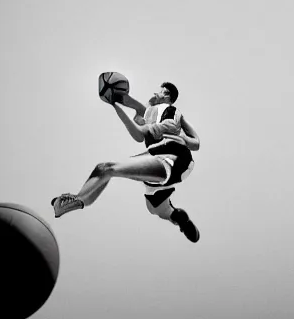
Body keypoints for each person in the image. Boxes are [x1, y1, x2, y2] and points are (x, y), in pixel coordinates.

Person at [51, 81, 202, 243]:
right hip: (156, 155)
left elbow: (196, 143)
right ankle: (178, 216)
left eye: (160, 92)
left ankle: (78, 198)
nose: (155, 93)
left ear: (167, 95)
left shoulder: (171, 113)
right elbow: (138, 121)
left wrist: (182, 138)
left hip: (175, 156)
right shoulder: (150, 113)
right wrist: (116, 101)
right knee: (156, 208)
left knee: (106, 168)